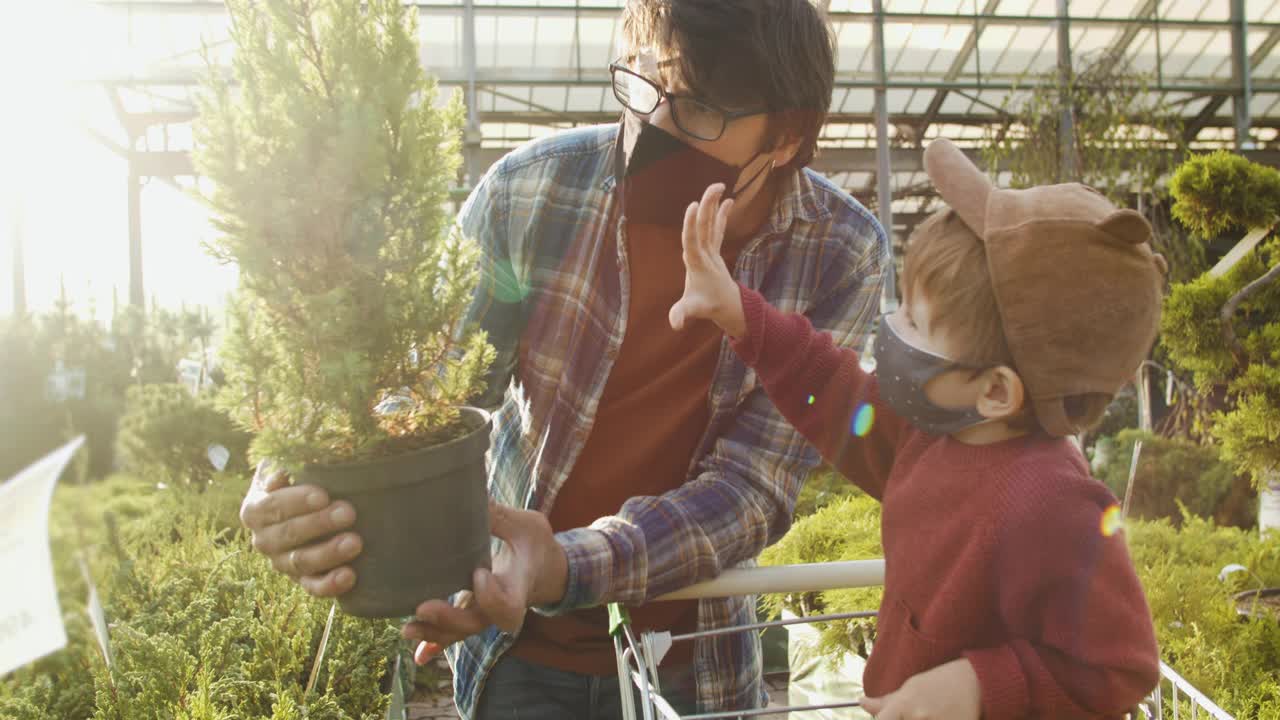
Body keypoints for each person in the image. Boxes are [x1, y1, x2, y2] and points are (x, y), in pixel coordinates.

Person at [237, 1, 889, 717]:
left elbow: (753, 485)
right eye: (646, 85)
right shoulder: (533, 193)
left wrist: (565, 565)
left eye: (699, 109)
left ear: (786, 137)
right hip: (515, 649)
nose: (656, 128)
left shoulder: (839, 253)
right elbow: (428, 391)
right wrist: (307, 468)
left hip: (692, 656)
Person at [668, 138, 1164, 719]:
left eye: (916, 323)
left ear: (997, 390)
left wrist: (980, 685)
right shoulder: (930, 433)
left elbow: (1118, 667)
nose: (891, 329)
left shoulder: (1054, 504)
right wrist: (736, 310)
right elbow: (828, 387)